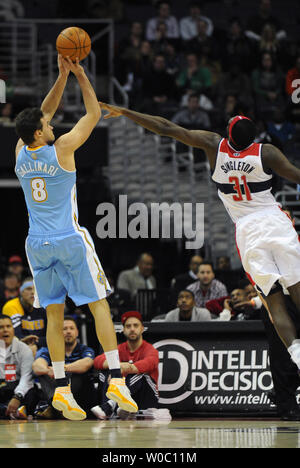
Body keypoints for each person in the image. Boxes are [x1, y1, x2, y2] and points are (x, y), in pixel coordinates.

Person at [99, 102, 300, 373]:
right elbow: (297, 175)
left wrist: (126, 112)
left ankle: (298, 359)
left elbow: (166, 127)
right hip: (275, 222)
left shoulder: (214, 145)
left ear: (229, 135)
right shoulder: (267, 153)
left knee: (275, 304)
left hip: (248, 231)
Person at [14, 54, 138, 421]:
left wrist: (60, 75)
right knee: (98, 303)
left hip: (36, 243)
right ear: (40, 132)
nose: (51, 124)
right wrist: (80, 75)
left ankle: (61, 388)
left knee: (54, 312)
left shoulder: (20, 152)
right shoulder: (63, 150)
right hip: (68, 238)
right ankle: (116, 379)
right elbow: (93, 115)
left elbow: (42, 112)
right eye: (46, 124)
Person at [92, 311, 160, 420]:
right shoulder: (119, 348)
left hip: (146, 398)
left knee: (138, 375)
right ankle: (115, 406)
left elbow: (146, 365)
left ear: (142, 328)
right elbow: (97, 361)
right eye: (128, 326)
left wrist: (119, 370)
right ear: (123, 330)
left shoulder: (150, 350)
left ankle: (110, 405)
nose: (132, 329)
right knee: (104, 373)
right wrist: (117, 367)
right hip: (123, 401)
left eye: (136, 325)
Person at [32, 316, 97, 419]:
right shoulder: (48, 349)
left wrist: (61, 369)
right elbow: (37, 366)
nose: (68, 331)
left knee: (76, 374)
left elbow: (87, 363)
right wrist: (48, 370)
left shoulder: (85, 349)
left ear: (77, 332)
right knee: (43, 374)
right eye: (64, 329)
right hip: (55, 387)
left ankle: (53, 408)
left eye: (71, 328)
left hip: (78, 392)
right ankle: (58, 407)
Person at [0, 314, 36, 419]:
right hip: (2, 386)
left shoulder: (24, 349)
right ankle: (10, 411)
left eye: (8, 326)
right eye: (1, 327)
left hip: (19, 387)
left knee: (32, 395)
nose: (5, 330)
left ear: (13, 329)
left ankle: (9, 411)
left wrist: (17, 396)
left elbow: (27, 377)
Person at [2, 278, 47, 356]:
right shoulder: (12, 306)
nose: (33, 292)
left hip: (41, 348)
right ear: (21, 292)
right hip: (18, 348)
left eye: (35, 289)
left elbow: (52, 336)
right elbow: (15, 336)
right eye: (29, 289)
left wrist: (36, 344)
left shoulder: (44, 306)